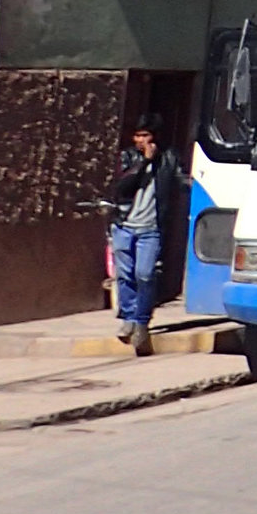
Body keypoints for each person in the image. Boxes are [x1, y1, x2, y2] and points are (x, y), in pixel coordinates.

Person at [107, 119, 183, 354]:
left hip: (151, 228)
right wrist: (144, 162)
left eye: (144, 135)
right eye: (137, 136)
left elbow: (176, 186)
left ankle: (142, 321)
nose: (139, 140)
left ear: (154, 137)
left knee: (145, 274)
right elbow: (123, 187)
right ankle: (128, 317)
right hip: (124, 224)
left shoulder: (169, 158)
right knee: (125, 275)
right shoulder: (128, 158)